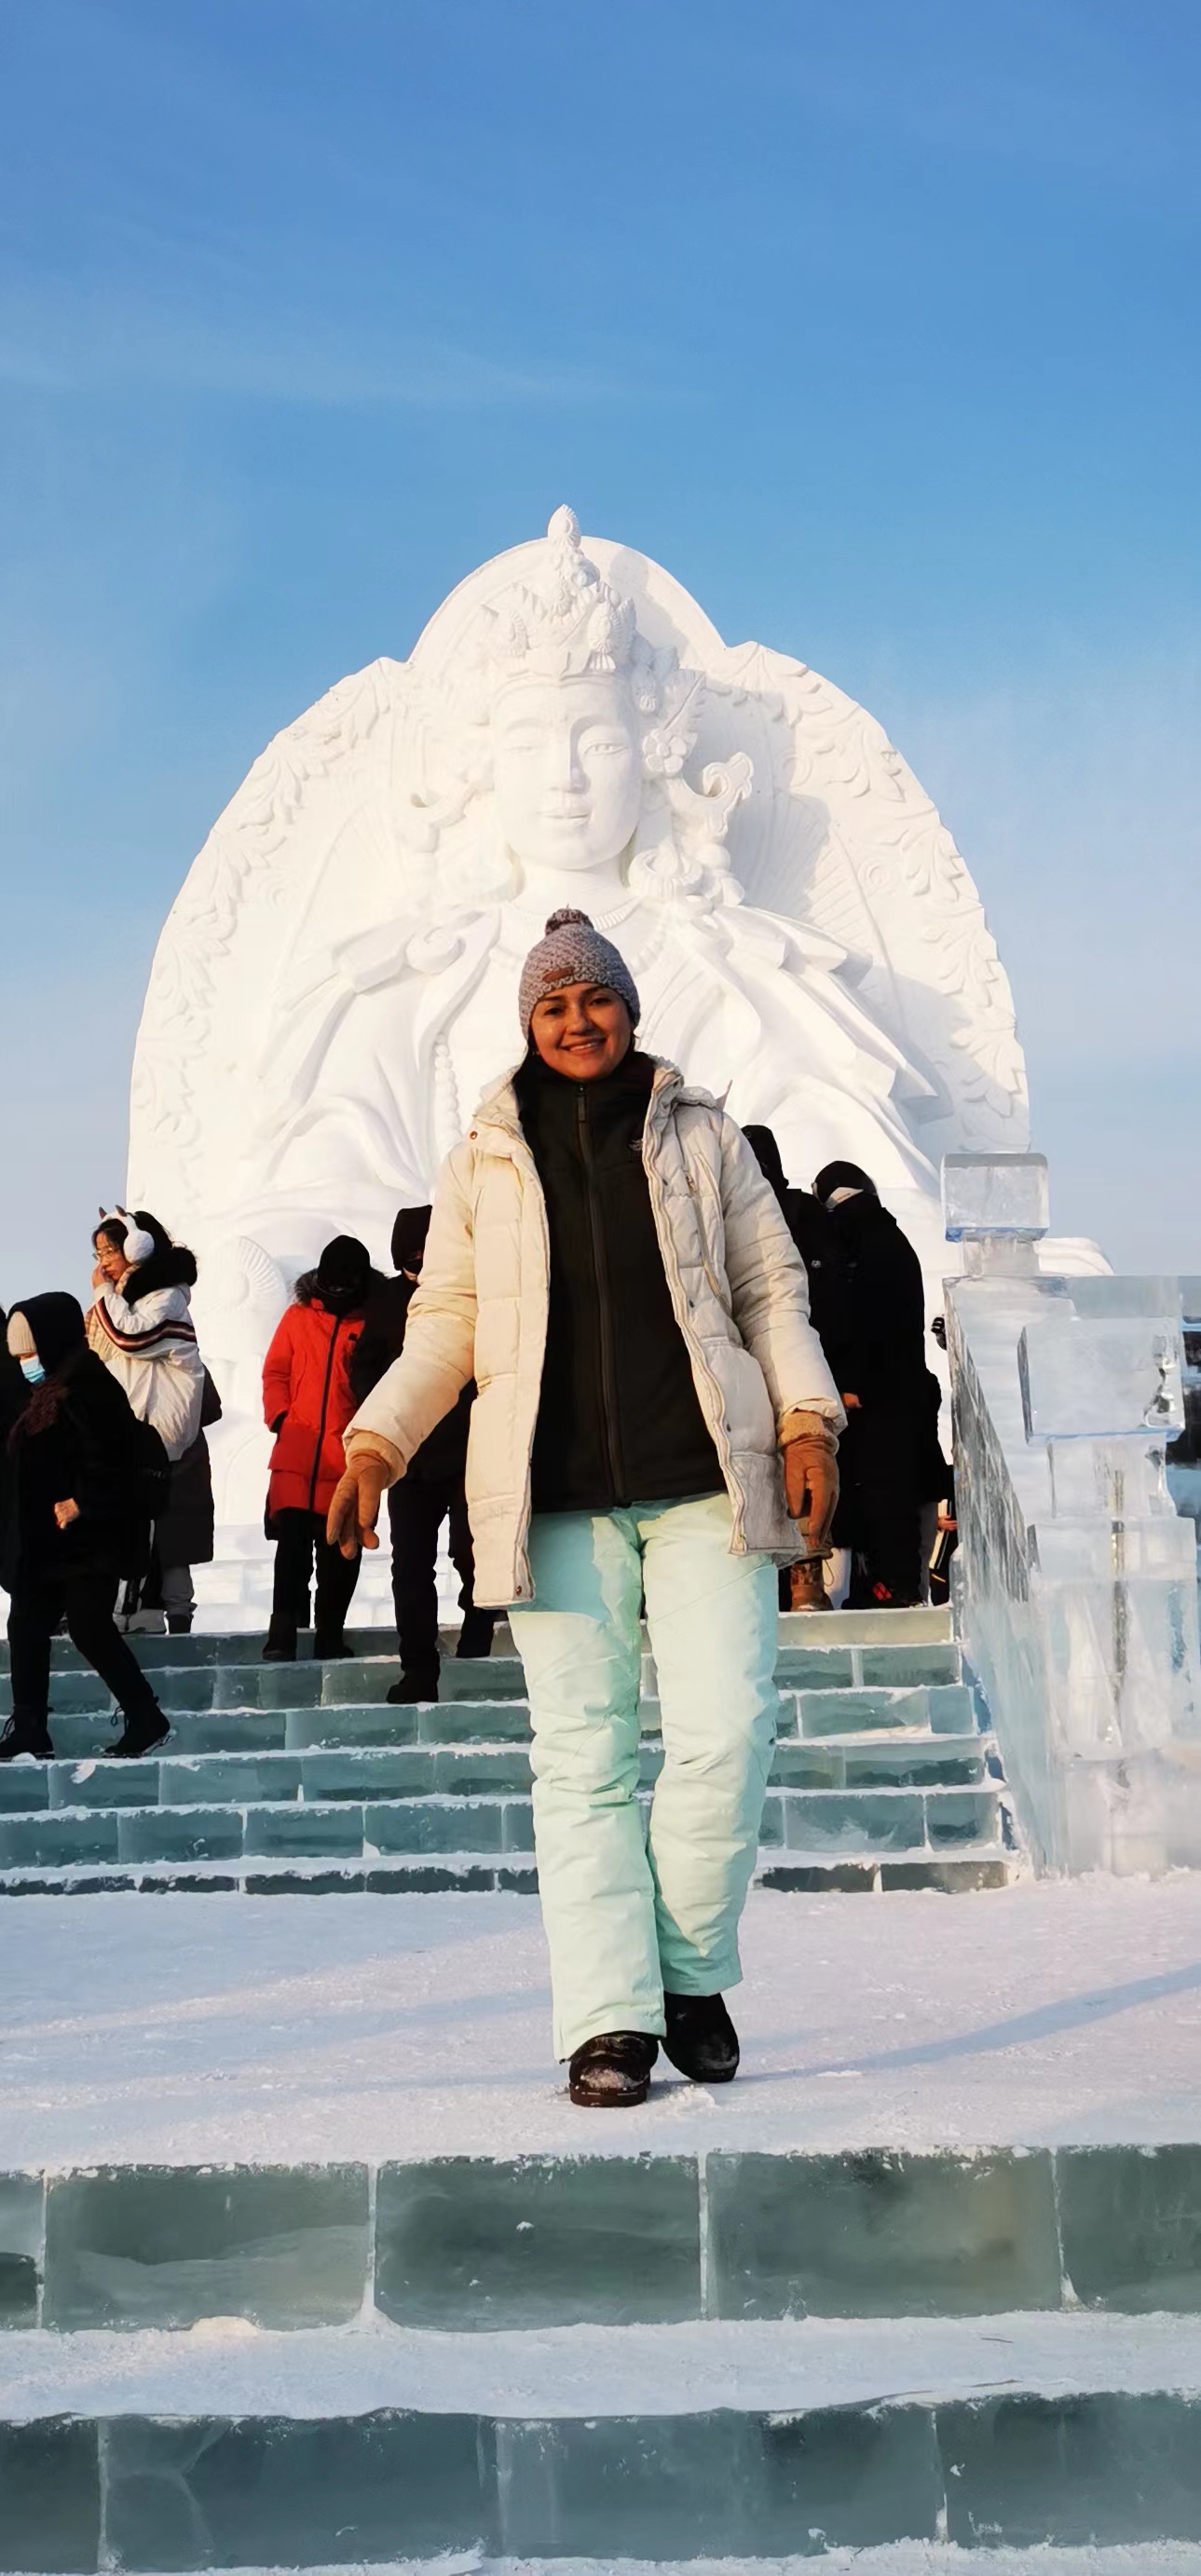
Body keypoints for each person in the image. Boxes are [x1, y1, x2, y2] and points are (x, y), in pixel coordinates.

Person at [328, 907, 843, 2108]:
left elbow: (771, 1287)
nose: (576, 1019)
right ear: (526, 1021)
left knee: (726, 1730)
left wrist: (806, 1416)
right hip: (550, 1501)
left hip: (705, 1478)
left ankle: (687, 1969)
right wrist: (377, 1438)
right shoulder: (483, 1157)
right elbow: (447, 1319)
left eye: (593, 997)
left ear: (628, 1008)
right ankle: (608, 2018)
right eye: (552, 1004)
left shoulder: (704, 1135)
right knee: (583, 1763)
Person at [1, 1296, 170, 1760]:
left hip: (89, 1540)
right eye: (17, 1354)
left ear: (52, 1342)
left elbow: (112, 1460)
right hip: (48, 1546)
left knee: (89, 1626)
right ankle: (31, 1727)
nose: (24, 1362)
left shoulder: (89, 1386)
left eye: (28, 1351)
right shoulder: (46, 1392)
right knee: (27, 1624)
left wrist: (82, 1503)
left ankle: (145, 1716)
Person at [349, 1206, 496, 1704]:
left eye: (430, 1254)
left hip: (469, 1449)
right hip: (409, 1460)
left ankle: (479, 1622)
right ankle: (418, 1668)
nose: (422, 1266)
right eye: (412, 1260)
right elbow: (363, 1370)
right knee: (410, 1567)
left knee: (471, 1550)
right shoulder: (388, 1301)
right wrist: (388, 1421)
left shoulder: (474, 1291)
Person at [812, 1161, 932, 1609]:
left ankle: (881, 1591)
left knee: (874, 1500)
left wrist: (851, 1381)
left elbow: (858, 1317)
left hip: (870, 1397)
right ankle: (896, 1589)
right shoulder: (891, 1237)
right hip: (901, 1395)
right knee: (893, 1500)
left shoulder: (854, 1239)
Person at [743, 1124, 848, 1612]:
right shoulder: (804, 1211)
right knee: (807, 1473)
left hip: (747, 1364)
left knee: (759, 1477)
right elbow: (831, 1294)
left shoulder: (735, 1210)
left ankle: (763, 1589)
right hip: (804, 1356)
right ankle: (807, 1584)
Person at [88, 1208, 208, 1633]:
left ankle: (143, 1611)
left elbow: (131, 1338)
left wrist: (104, 1294)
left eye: (111, 1250)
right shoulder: (125, 1300)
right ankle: (129, 1610)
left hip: (160, 1432)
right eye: (99, 1252)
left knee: (156, 1528)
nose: (103, 1261)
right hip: (131, 1428)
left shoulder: (166, 1298)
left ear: (140, 1247)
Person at [261, 1234, 378, 1662]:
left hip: (346, 1460)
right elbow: (275, 1372)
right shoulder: (296, 1318)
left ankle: (330, 1635)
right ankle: (282, 1634)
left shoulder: (370, 1325)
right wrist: (280, 1418)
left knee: (339, 1556)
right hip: (295, 1454)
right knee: (290, 1550)